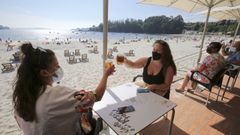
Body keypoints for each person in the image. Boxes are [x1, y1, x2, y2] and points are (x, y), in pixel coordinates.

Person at [13, 43, 115, 135]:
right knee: (89, 117)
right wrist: (106, 74)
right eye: (56, 66)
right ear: (44, 73)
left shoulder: (20, 99)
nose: (59, 69)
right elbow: (96, 95)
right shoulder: (56, 95)